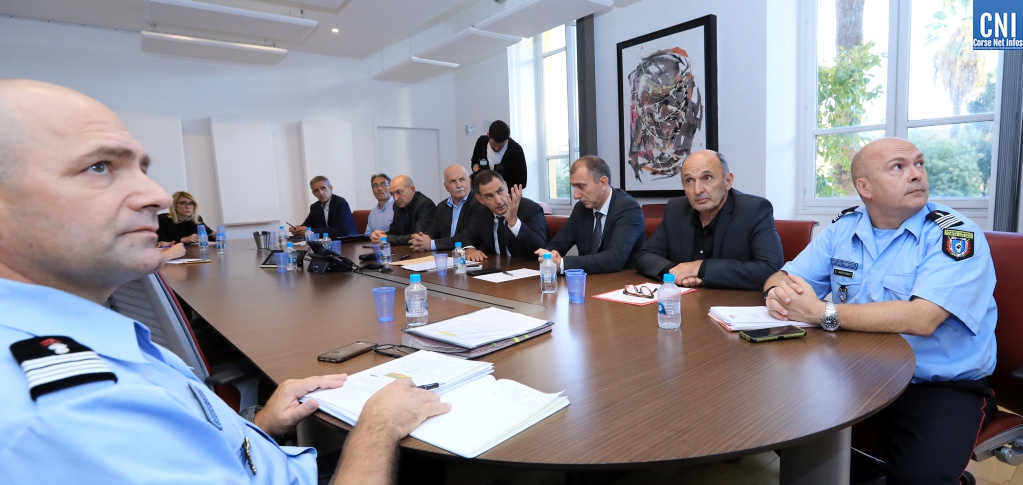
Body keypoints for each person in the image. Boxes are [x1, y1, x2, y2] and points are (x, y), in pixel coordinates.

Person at [0, 79, 449, 483]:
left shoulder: (86, 337)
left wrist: (256, 426)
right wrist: (378, 426)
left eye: (142, 168)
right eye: (99, 167)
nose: (156, 195)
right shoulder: (59, 412)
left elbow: (198, 453)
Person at [763, 137, 997, 485]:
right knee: (782, 427)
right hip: (854, 371)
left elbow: (922, 318)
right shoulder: (843, 229)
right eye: (898, 167)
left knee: (922, 478)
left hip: (936, 385)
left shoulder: (956, 235)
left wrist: (821, 312)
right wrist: (776, 294)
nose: (916, 174)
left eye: (919, 163)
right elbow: (782, 277)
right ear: (865, 187)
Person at [633, 150, 784, 289]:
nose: (697, 190)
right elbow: (644, 255)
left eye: (707, 178)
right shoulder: (676, 209)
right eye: (689, 180)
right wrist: (677, 273)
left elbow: (771, 269)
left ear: (728, 181)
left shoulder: (754, 210)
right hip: (686, 302)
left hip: (733, 303)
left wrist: (701, 268)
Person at [534, 156, 645, 274]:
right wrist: (548, 255)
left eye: (581, 186)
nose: (575, 195)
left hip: (622, 280)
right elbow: (558, 243)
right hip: (588, 279)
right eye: (574, 187)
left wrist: (562, 263)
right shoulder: (581, 208)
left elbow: (614, 259)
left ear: (603, 183)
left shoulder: (628, 208)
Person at [441, 170, 547, 262]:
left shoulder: (530, 209)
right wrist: (469, 249)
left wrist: (514, 222)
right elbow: (465, 236)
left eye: (500, 191)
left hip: (527, 270)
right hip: (495, 269)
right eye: (489, 196)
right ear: (480, 199)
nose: (498, 201)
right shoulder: (482, 212)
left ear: (506, 186)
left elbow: (539, 248)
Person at [409, 165, 485, 252]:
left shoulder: (479, 203)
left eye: (462, 179)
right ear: (446, 186)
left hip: (471, 255)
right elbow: (433, 231)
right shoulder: (442, 206)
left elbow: (467, 236)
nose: (458, 185)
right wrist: (421, 239)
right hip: (447, 254)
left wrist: (432, 244)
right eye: (453, 181)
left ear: (469, 181)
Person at [370, 175, 434, 246]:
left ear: (412, 189)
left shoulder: (425, 205)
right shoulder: (397, 205)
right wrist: (380, 236)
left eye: (399, 192)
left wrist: (385, 239)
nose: (395, 198)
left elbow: (417, 237)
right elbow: (394, 232)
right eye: (392, 194)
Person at [290, 176, 357, 239]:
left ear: (330, 188)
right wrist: (297, 230)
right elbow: (307, 226)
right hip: (326, 242)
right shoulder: (315, 207)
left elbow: (342, 230)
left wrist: (311, 231)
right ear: (313, 193)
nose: (321, 193)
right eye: (316, 190)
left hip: (348, 241)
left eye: (323, 188)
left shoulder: (340, 203)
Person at [470, 120, 527, 189]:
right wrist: (475, 167)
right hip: (483, 189)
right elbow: (474, 161)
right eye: (493, 145)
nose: (497, 149)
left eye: (501, 146)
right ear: (488, 135)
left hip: (506, 192)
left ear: (507, 139)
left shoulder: (516, 150)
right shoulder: (481, 142)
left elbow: (522, 182)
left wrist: (501, 188)